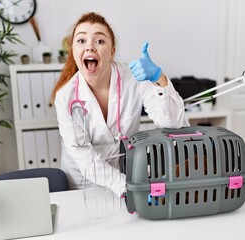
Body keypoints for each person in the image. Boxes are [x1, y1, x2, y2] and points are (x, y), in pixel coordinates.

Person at [50, 12, 186, 196]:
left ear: (112, 51)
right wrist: (126, 186)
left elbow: (173, 126)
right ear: (73, 51)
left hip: (126, 174)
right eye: (81, 40)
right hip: (83, 184)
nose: (89, 46)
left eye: (99, 41)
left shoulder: (134, 79)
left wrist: (159, 79)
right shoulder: (65, 98)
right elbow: (83, 155)